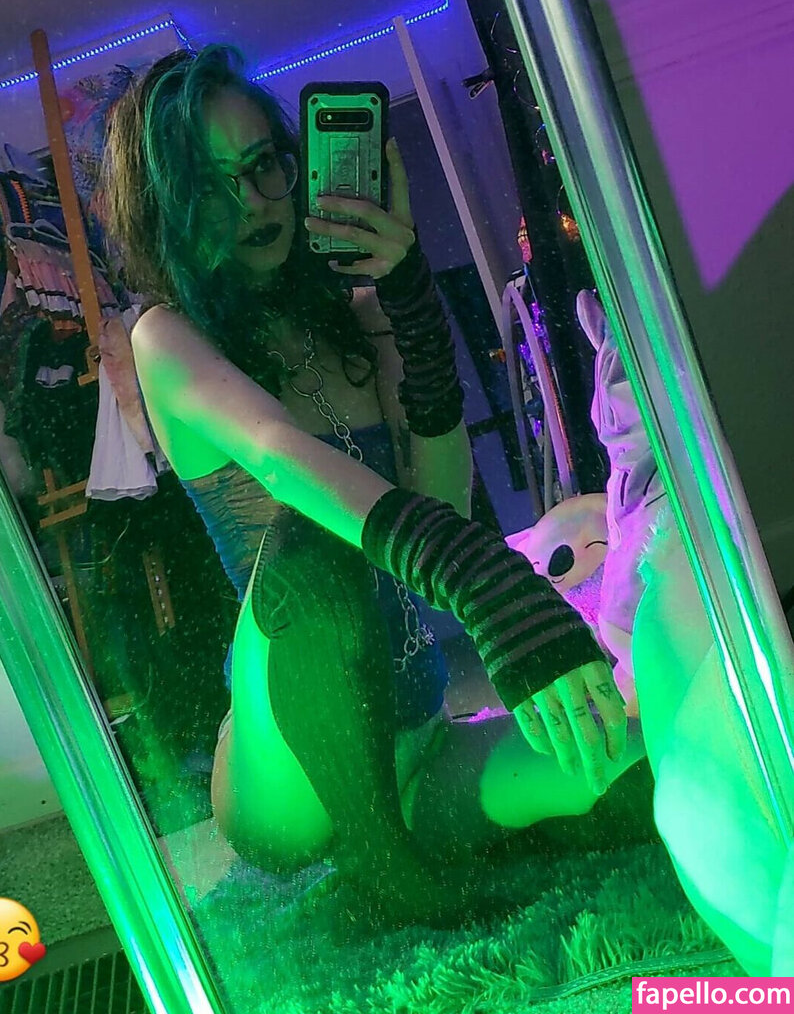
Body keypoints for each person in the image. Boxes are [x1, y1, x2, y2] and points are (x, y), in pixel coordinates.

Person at [102, 45, 644, 923]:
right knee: (312, 542)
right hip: (288, 785)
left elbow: (438, 504)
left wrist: (409, 297)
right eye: (211, 185)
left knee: (635, 767)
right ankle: (378, 864)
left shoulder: (362, 322)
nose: (252, 200)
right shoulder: (164, 340)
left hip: (419, 742)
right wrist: (490, 583)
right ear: (167, 209)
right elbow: (278, 457)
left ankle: (407, 834)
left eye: (263, 165)